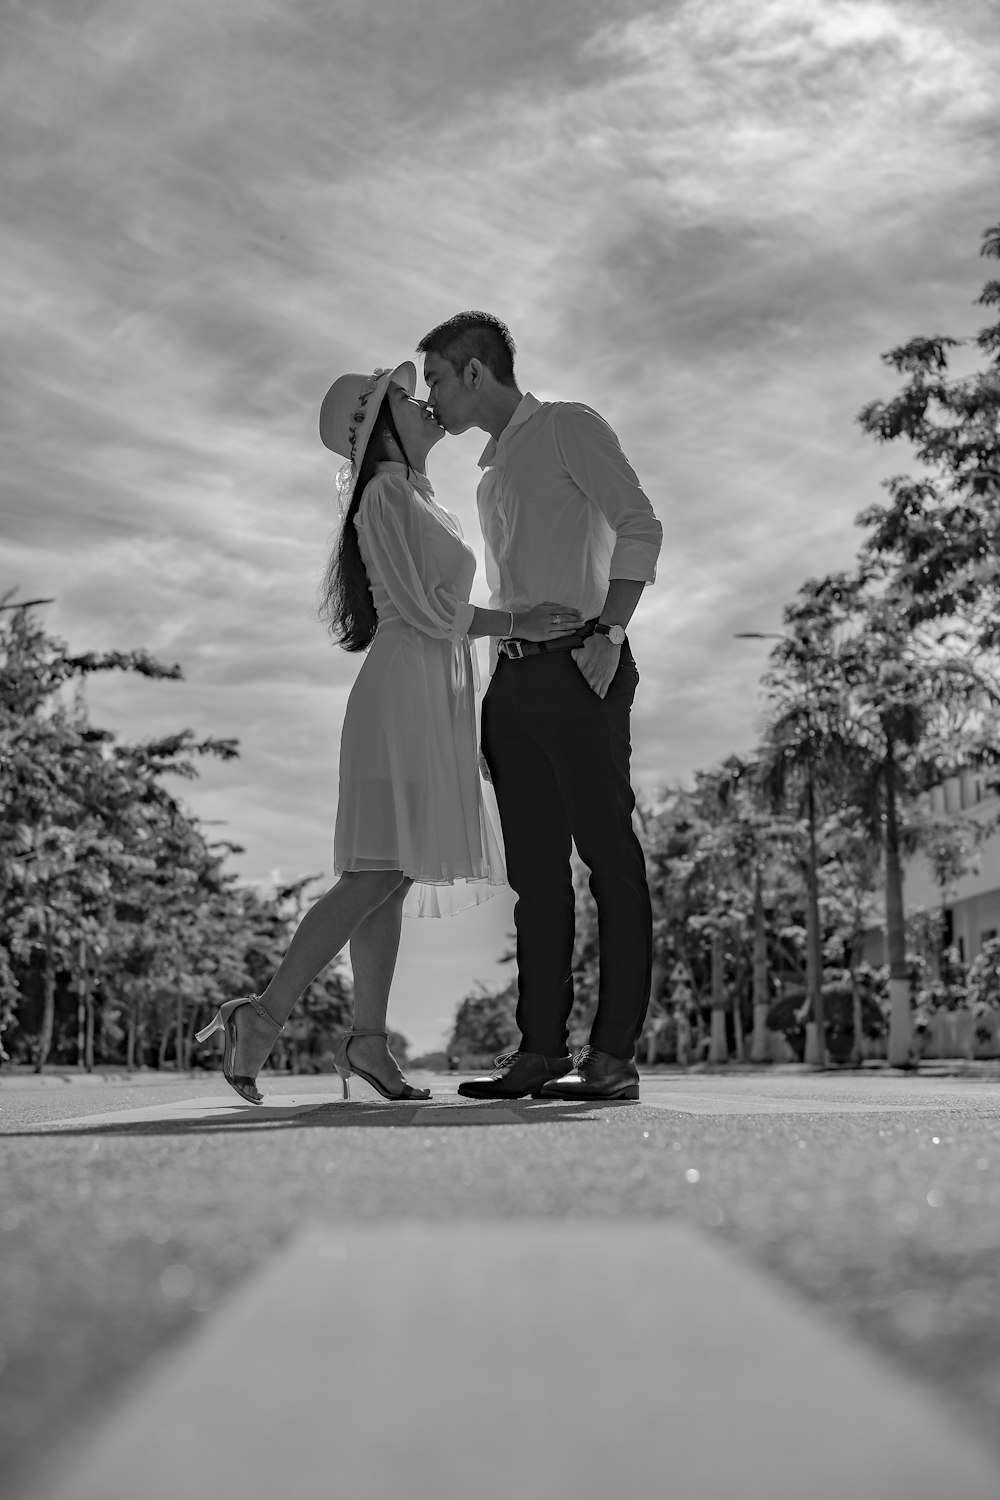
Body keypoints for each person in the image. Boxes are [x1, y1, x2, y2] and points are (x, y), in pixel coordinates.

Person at [196, 359, 582, 1105]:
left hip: (425, 693)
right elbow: (430, 610)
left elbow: (436, 609)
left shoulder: (414, 496)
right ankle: (266, 1014)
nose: (427, 402)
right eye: (408, 397)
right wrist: (517, 623)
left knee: (392, 873)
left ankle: (368, 1040)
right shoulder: (383, 494)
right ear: (379, 427)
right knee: (377, 870)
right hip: (401, 695)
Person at [418, 314, 663, 1102]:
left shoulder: (566, 427)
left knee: (609, 863)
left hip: (583, 668)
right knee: (536, 879)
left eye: (437, 381)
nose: (433, 399)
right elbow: (509, 594)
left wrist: (613, 632)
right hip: (516, 685)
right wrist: (498, 690)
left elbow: (639, 523)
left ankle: (614, 1057)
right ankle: (540, 1051)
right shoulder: (490, 476)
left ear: (475, 373)